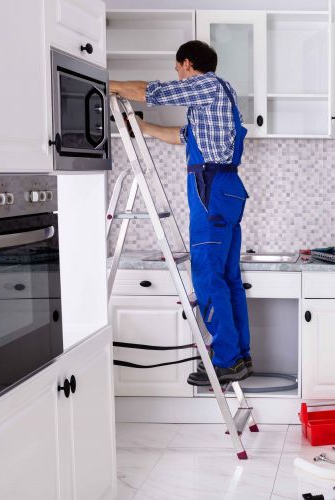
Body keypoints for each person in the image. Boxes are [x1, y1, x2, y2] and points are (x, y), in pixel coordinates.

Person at [109, 40, 251, 387]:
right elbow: (183, 137)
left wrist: (104, 83)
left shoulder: (206, 84)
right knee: (227, 276)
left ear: (188, 64)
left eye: (177, 68)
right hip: (226, 188)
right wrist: (142, 128)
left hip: (211, 188)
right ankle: (239, 357)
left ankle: (226, 359)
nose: (177, 73)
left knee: (206, 275)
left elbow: (150, 92)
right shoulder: (221, 95)